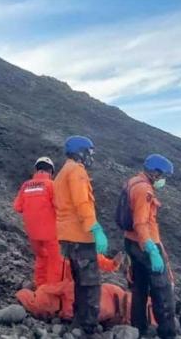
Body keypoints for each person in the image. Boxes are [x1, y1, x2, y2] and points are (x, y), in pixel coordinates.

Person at [54, 136, 109, 336]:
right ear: (80, 152)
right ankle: (88, 326)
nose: (90, 157)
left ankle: (78, 322)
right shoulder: (77, 171)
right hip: (80, 236)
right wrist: (95, 229)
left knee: (80, 281)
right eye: (89, 152)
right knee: (91, 283)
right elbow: (82, 203)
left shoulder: (62, 172)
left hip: (67, 237)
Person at [122, 154, 177, 339]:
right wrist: (152, 250)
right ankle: (167, 333)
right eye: (163, 176)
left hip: (131, 243)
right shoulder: (144, 190)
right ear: (155, 173)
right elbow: (140, 223)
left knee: (139, 287)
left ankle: (139, 328)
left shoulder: (133, 182)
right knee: (162, 292)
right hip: (145, 245)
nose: (164, 180)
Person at [16, 254, 127, 323]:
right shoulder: (52, 248)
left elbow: (95, 258)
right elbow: (41, 267)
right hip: (56, 292)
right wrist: (39, 285)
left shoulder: (78, 249)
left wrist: (112, 264)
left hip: (67, 293)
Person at [13, 156, 62, 287]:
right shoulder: (52, 185)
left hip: (32, 234)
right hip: (51, 233)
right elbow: (60, 206)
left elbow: (17, 207)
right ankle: (51, 292)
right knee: (55, 262)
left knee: (41, 259)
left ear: (36, 169)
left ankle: (40, 288)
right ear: (51, 172)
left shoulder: (25, 186)